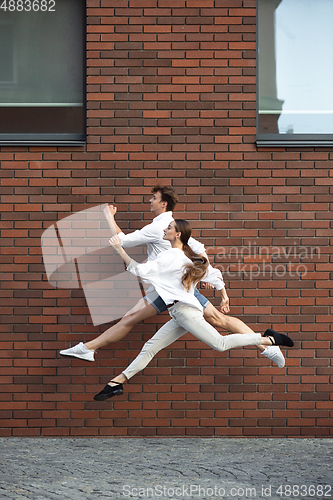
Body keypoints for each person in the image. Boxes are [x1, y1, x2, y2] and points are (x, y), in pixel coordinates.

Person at [60, 185, 285, 368]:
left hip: (168, 288)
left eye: (153, 198)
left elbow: (123, 241)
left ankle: (88, 348)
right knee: (218, 319)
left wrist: (108, 216)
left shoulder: (159, 226)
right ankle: (267, 347)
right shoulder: (172, 225)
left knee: (131, 319)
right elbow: (200, 250)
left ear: (163, 203)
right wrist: (211, 282)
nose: (150, 201)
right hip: (173, 286)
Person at [93, 220, 294, 401]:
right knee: (150, 347)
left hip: (186, 312)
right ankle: (116, 383)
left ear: (177, 234)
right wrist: (221, 293)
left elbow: (140, 271)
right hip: (180, 314)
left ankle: (269, 339)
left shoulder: (171, 254)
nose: (165, 229)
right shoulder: (184, 256)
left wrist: (119, 249)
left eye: (169, 228)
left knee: (220, 343)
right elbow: (210, 274)